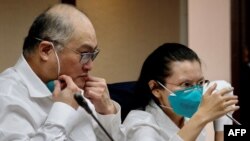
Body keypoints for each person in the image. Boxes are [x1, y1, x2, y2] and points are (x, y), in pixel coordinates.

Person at [0, 3, 121, 141]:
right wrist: (63, 110)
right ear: (46, 50)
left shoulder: (75, 91)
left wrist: (106, 112)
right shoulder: (5, 96)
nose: (90, 66)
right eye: (84, 54)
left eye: (92, 55)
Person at [122, 43, 239, 141]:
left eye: (200, 83)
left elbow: (223, 86)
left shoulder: (189, 109)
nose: (196, 92)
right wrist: (201, 116)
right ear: (155, 88)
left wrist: (221, 131)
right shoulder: (140, 126)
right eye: (186, 84)